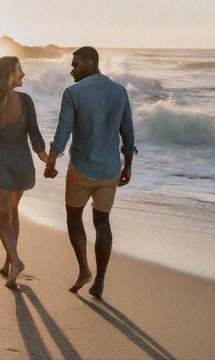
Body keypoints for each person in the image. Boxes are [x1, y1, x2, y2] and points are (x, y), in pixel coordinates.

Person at [44, 46, 137, 299]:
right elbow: (127, 133)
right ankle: (100, 280)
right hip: (110, 170)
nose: (71, 70)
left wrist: (51, 162)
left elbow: (62, 132)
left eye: (75, 65)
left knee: (74, 218)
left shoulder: (73, 92)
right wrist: (127, 165)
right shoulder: (119, 92)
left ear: (88, 63)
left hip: (81, 169)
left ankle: (84, 269)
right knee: (102, 222)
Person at [0, 56, 50, 289]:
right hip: (22, 163)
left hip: (0, 163)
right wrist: (47, 161)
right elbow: (35, 136)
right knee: (13, 212)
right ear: (9, 73)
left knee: (4, 216)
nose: (23, 74)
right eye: (19, 70)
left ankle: (14, 262)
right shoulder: (26, 101)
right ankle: (9, 264)